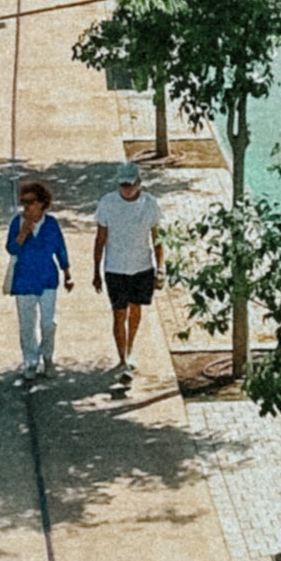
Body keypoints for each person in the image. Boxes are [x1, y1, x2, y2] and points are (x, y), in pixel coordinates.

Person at [92, 169, 165, 394]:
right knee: (118, 313)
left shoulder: (150, 204)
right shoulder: (107, 203)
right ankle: (123, 358)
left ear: (139, 184)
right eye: (122, 184)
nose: (126, 188)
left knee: (135, 310)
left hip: (142, 266)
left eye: (130, 184)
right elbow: (100, 239)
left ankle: (131, 346)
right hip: (115, 268)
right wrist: (96, 270)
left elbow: (158, 238)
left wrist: (161, 266)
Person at [4, 176, 73, 378]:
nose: (25, 207)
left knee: (48, 322)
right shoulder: (17, 223)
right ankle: (31, 361)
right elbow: (11, 248)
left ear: (41, 203)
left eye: (30, 202)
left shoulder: (51, 224)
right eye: (23, 202)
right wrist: (23, 233)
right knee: (27, 324)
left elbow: (60, 248)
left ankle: (48, 357)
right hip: (24, 280)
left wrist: (67, 272)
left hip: (47, 279)